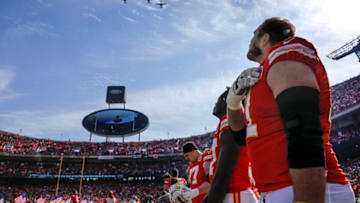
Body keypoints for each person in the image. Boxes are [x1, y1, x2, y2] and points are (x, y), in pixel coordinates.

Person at [226, 17, 355, 203]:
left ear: (265, 38)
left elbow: (302, 127)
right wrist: (233, 102)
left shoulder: (285, 53)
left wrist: (305, 199)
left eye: (254, 34)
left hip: (304, 188)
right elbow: (240, 137)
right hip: (280, 188)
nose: (250, 39)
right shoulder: (261, 76)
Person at [202, 88, 258, 203]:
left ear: (225, 100)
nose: (215, 104)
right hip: (235, 193)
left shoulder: (229, 119)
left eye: (217, 100)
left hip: (235, 193)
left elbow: (225, 170)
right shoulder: (229, 120)